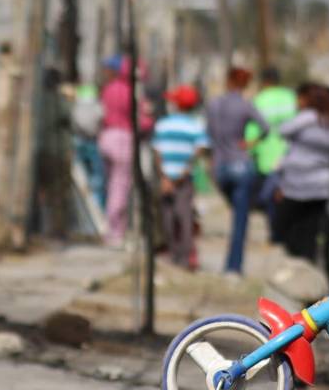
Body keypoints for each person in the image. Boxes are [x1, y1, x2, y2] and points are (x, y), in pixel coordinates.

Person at [204, 67, 267, 274]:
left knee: (234, 213)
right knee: (240, 220)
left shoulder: (213, 105)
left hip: (219, 167)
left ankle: (230, 261)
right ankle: (233, 266)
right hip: (241, 165)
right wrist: (250, 143)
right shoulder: (245, 105)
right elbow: (265, 128)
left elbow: (209, 135)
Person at [272, 83, 329, 262]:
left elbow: (282, 130)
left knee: (289, 229)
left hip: (297, 185)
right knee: (311, 232)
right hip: (322, 185)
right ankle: (309, 267)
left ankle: (297, 268)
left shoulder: (308, 117)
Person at [152, 84, 211, 270]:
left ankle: (174, 252)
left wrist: (164, 177)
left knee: (167, 216)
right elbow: (199, 150)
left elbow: (157, 152)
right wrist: (183, 172)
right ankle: (185, 256)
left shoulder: (163, 124)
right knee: (184, 216)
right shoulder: (195, 126)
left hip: (165, 177)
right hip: (184, 178)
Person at [248, 66, 299, 241]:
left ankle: (275, 233)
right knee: (287, 195)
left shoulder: (259, 100)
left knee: (270, 197)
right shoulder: (290, 97)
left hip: (266, 157)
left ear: (265, 81)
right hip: (290, 155)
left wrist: (251, 149)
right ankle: (287, 232)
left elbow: (252, 130)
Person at [97, 56, 140, 245]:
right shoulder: (130, 92)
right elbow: (140, 120)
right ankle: (115, 231)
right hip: (123, 139)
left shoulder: (107, 89)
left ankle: (109, 227)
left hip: (106, 138)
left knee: (109, 185)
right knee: (120, 186)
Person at [70, 82, 106, 213]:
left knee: (80, 178)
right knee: (96, 181)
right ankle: (97, 211)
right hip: (93, 142)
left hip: (78, 141)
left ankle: (82, 212)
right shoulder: (97, 105)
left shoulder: (77, 105)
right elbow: (102, 118)